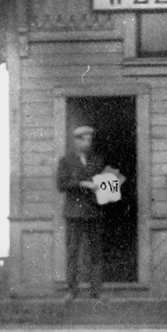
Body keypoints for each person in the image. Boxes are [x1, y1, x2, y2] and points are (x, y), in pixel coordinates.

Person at [56, 125, 106, 299]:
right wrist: (82, 184)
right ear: (76, 141)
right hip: (74, 213)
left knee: (95, 252)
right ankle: (72, 290)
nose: (88, 142)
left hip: (93, 211)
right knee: (73, 252)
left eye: (90, 139)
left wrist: (103, 185)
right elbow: (61, 185)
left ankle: (96, 291)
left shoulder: (97, 160)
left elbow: (106, 182)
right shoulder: (66, 161)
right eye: (84, 139)